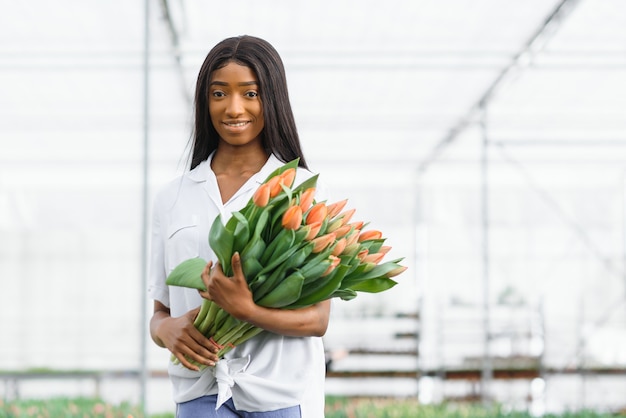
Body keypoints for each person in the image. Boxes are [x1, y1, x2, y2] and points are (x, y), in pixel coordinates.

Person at [148, 35, 330, 418]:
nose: (233, 108)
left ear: (272, 98)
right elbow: (160, 311)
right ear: (205, 101)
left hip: (279, 395)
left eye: (250, 93)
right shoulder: (172, 198)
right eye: (219, 94)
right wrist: (164, 331)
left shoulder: (300, 189)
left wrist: (246, 309)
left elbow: (317, 319)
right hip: (199, 391)